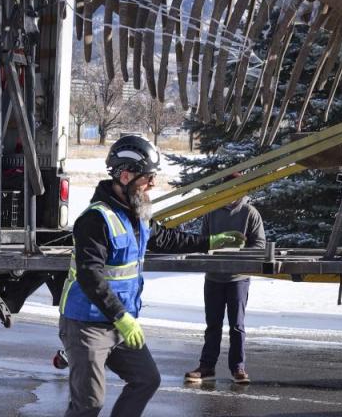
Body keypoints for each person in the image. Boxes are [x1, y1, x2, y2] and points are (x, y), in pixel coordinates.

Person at [59, 135, 242, 417]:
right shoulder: (95, 219)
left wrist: (209, 241)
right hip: (87, 325)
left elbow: (166, 239)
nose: (153, 184)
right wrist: (121, 317)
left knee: (146, 379)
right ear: (125, 176)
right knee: (89, 404)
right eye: (148, 177)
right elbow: (89, 275)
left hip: (120, 323)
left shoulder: (137, 214)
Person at [186, 179, 266, 385]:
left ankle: (238, 367)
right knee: (213, 324)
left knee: (236, 325)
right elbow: (203, 241)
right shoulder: (211, 212)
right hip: (213, 276)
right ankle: (206, 366)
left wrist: (237, 251)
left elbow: (259, 245)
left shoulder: (250, 213)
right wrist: (214, 248)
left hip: (238, 278)